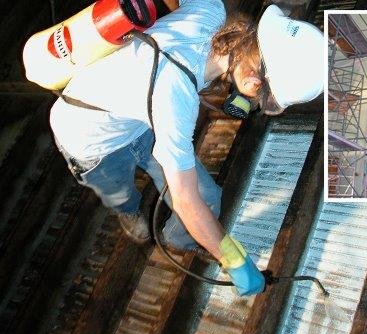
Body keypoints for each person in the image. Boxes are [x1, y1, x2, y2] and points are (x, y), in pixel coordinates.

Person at [48, 0, 323, 296]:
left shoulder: (212, 11)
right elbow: (185, 201)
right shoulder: (175, 98)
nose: (255, 102)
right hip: (90, 142)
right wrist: (235, 260)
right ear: (254, 80)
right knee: (122, 194)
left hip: (142, 119)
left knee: (209, 198)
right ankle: (127, 211)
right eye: (261, 97)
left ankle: (180, 239)